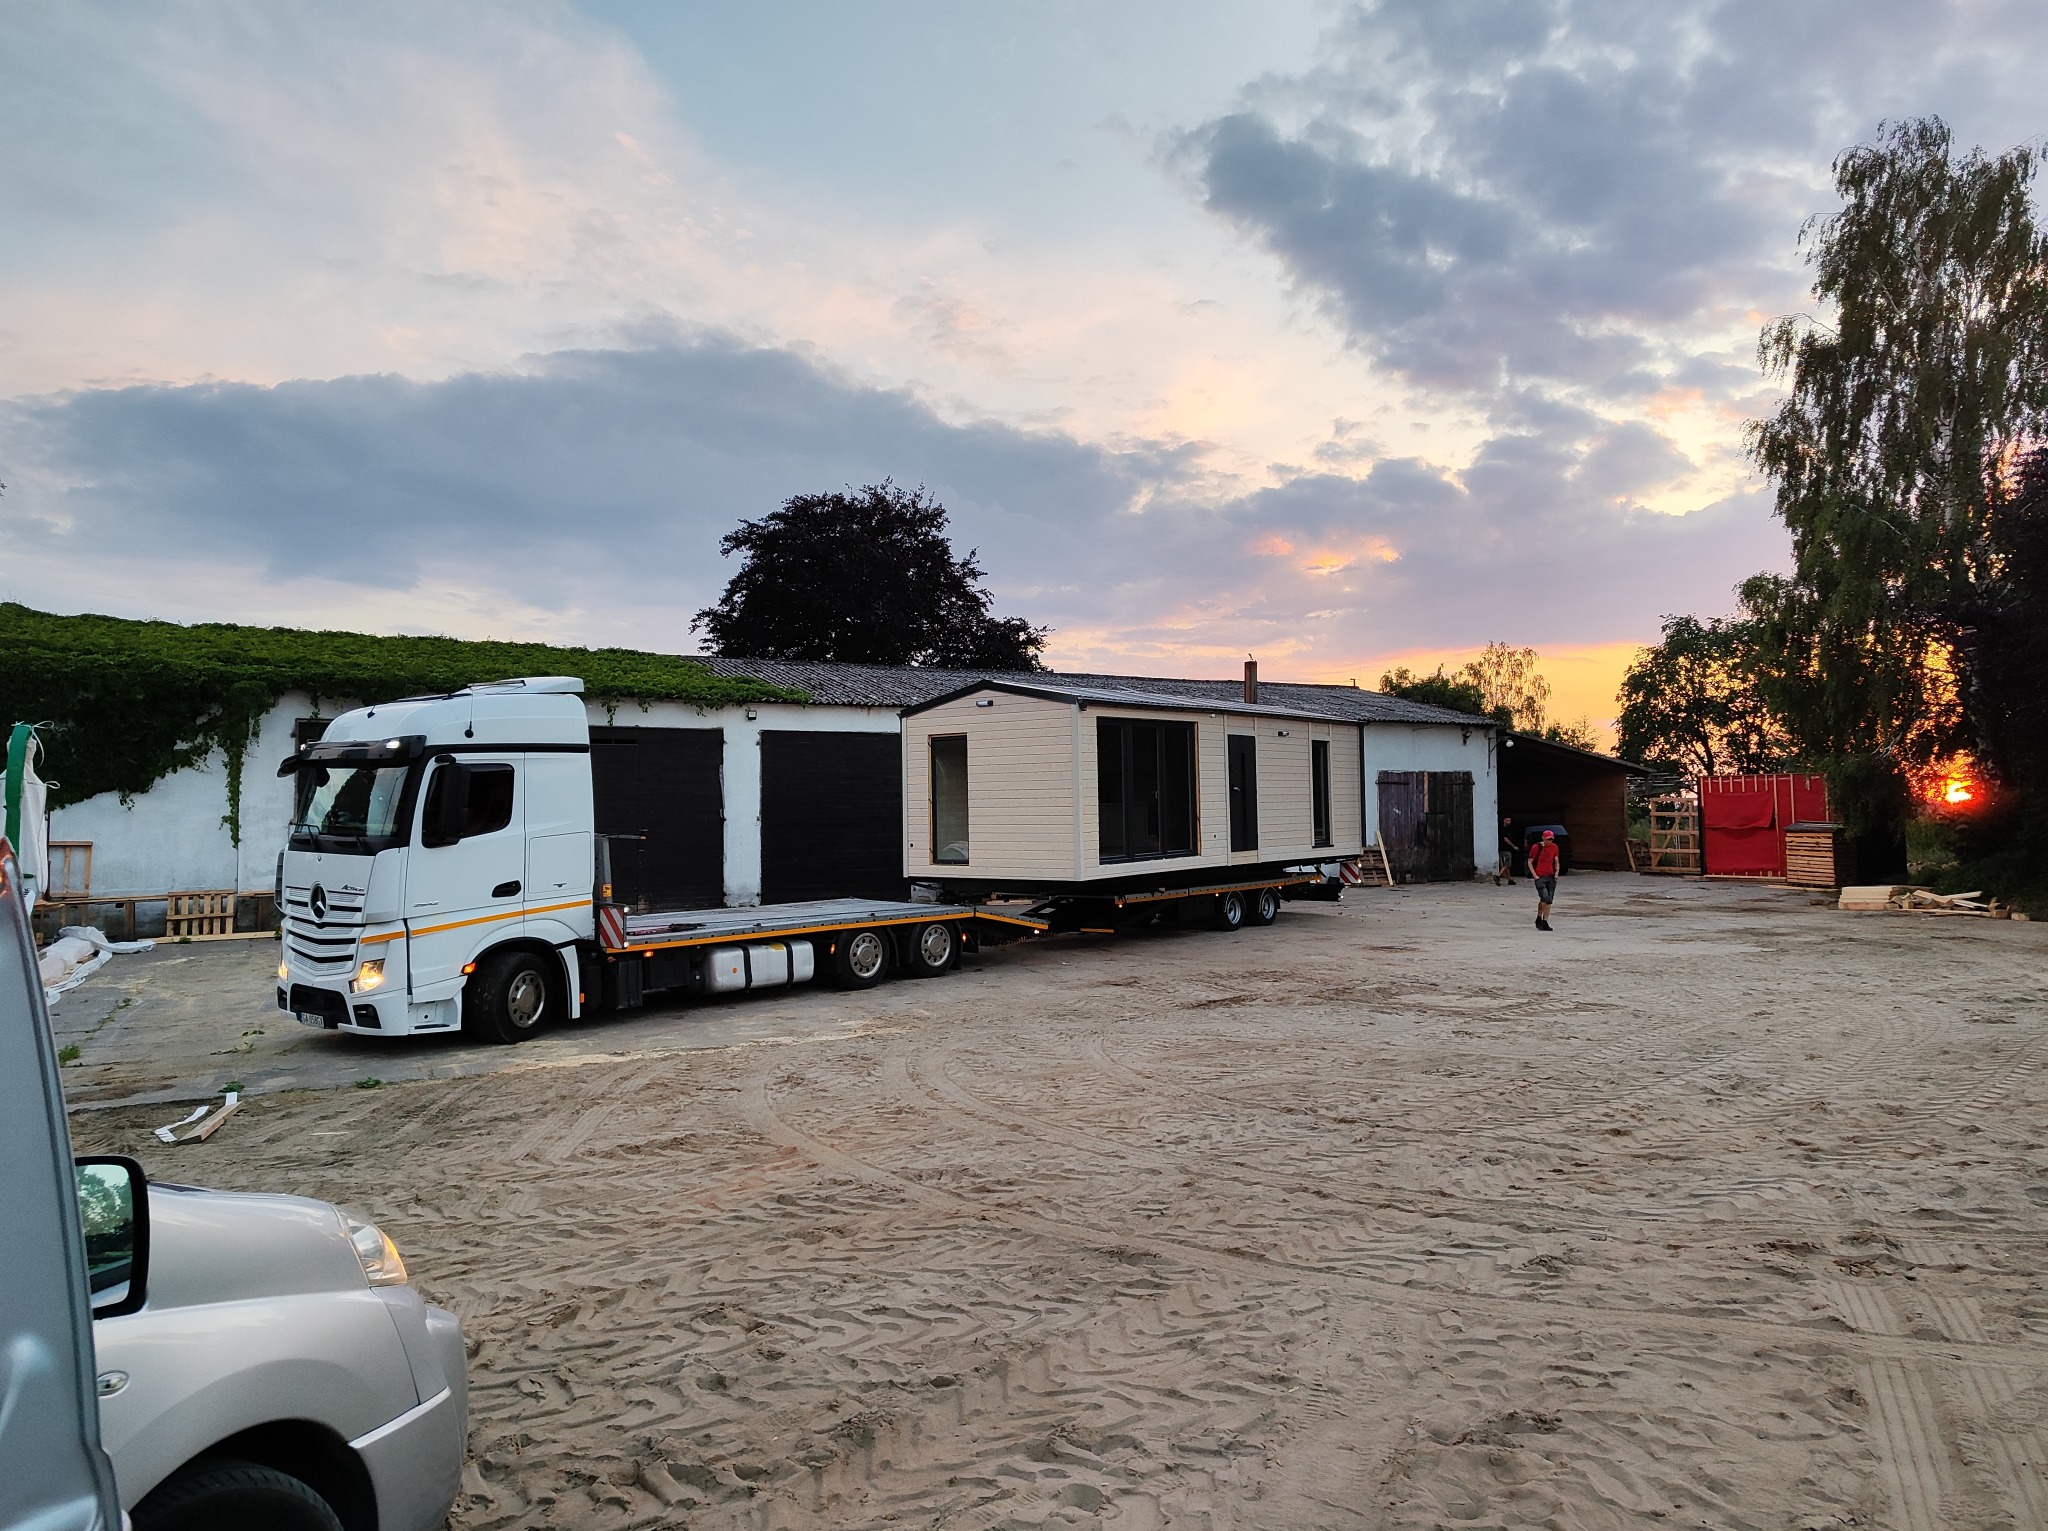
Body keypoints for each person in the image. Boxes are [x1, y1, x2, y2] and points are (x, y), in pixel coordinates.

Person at [1529, 828, 1560, 931]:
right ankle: (1539, 916)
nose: (1549, 841)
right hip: (1540, 876)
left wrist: (1556, 873)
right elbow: (1530, 861)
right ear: (1543, 838)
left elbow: (1556, 860)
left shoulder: (1554, 847)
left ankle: (1545, 921)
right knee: (1544, 898)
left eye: (1551, 839)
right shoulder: (1536, 847)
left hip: (1551, 875)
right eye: (1548, 839)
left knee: (1549, 901)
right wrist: (1535, 875)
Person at [1496, 815, 1517, 885]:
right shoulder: (1504, 829)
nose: (1509, 822)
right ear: (1504, 821)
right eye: (1508, 820)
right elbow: (1506, 839)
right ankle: (1498, 876)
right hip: (1506, 849)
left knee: (1507, 866)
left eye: (1510, 820)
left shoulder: (1506, 829)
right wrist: (1513, 846)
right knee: (1507, 864)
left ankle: (1510, 880)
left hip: (1502, 849)